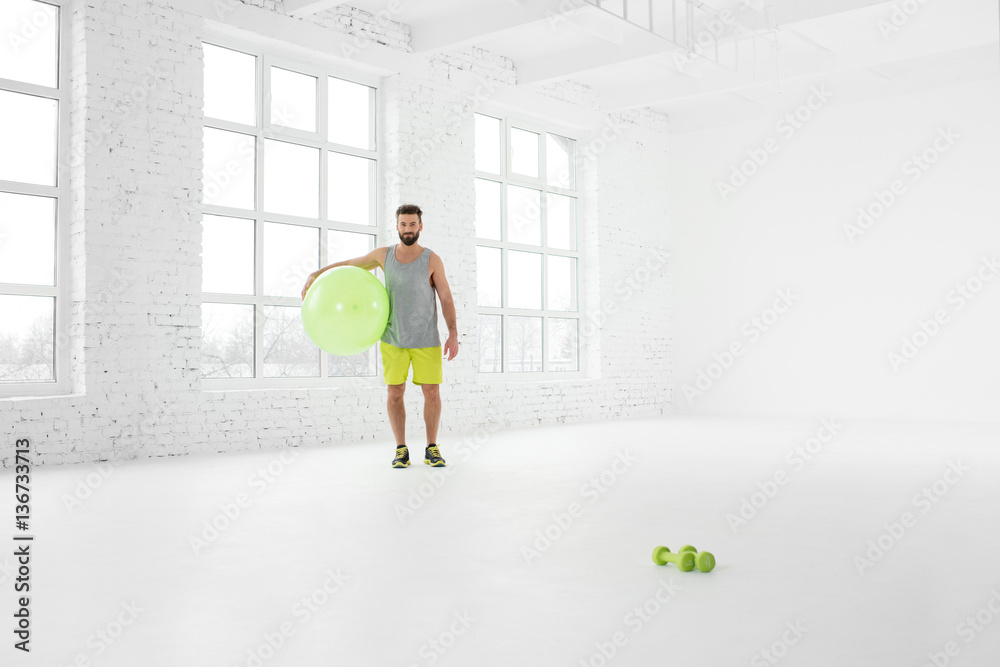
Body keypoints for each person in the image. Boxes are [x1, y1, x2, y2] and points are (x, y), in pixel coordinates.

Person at [301, 204, 459, 468]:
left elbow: (445, 297)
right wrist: (318, 273)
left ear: (421, 227)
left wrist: (453, 333)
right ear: (397, 226)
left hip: (426, 340)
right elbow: (351, 265)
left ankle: (432, 448)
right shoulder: (383, 255)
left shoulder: (432, 259)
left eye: (412, 224)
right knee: (395, 393)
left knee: (432, 393)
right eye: (403, 224)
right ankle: (401, 449)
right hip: (393, 338)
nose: (407, 229)